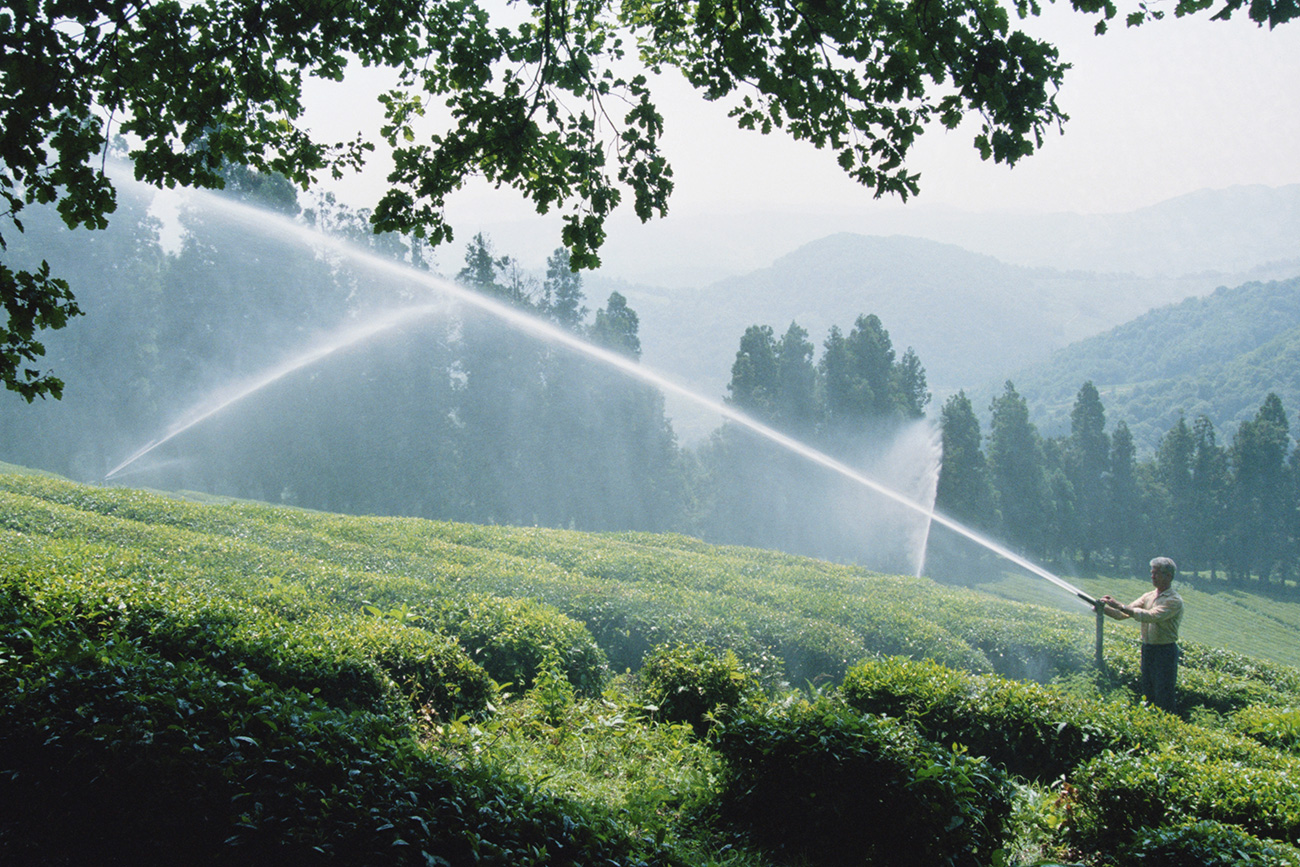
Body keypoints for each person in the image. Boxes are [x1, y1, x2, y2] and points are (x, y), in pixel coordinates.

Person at [1100, 557, 1184, 714]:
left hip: (1165, 651)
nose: (1152, 576)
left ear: (1168, 576)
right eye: (1152, 573)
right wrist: (1102, 608)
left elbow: (1151, 616)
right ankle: (1149, 722)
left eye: (1157, 573)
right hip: (1148, 649)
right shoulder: (1148, 596)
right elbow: (1123, 614)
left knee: (1163, 693)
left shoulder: (1174, 600)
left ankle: (1165, 726)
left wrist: (1120, 606)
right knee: (1148, 689)